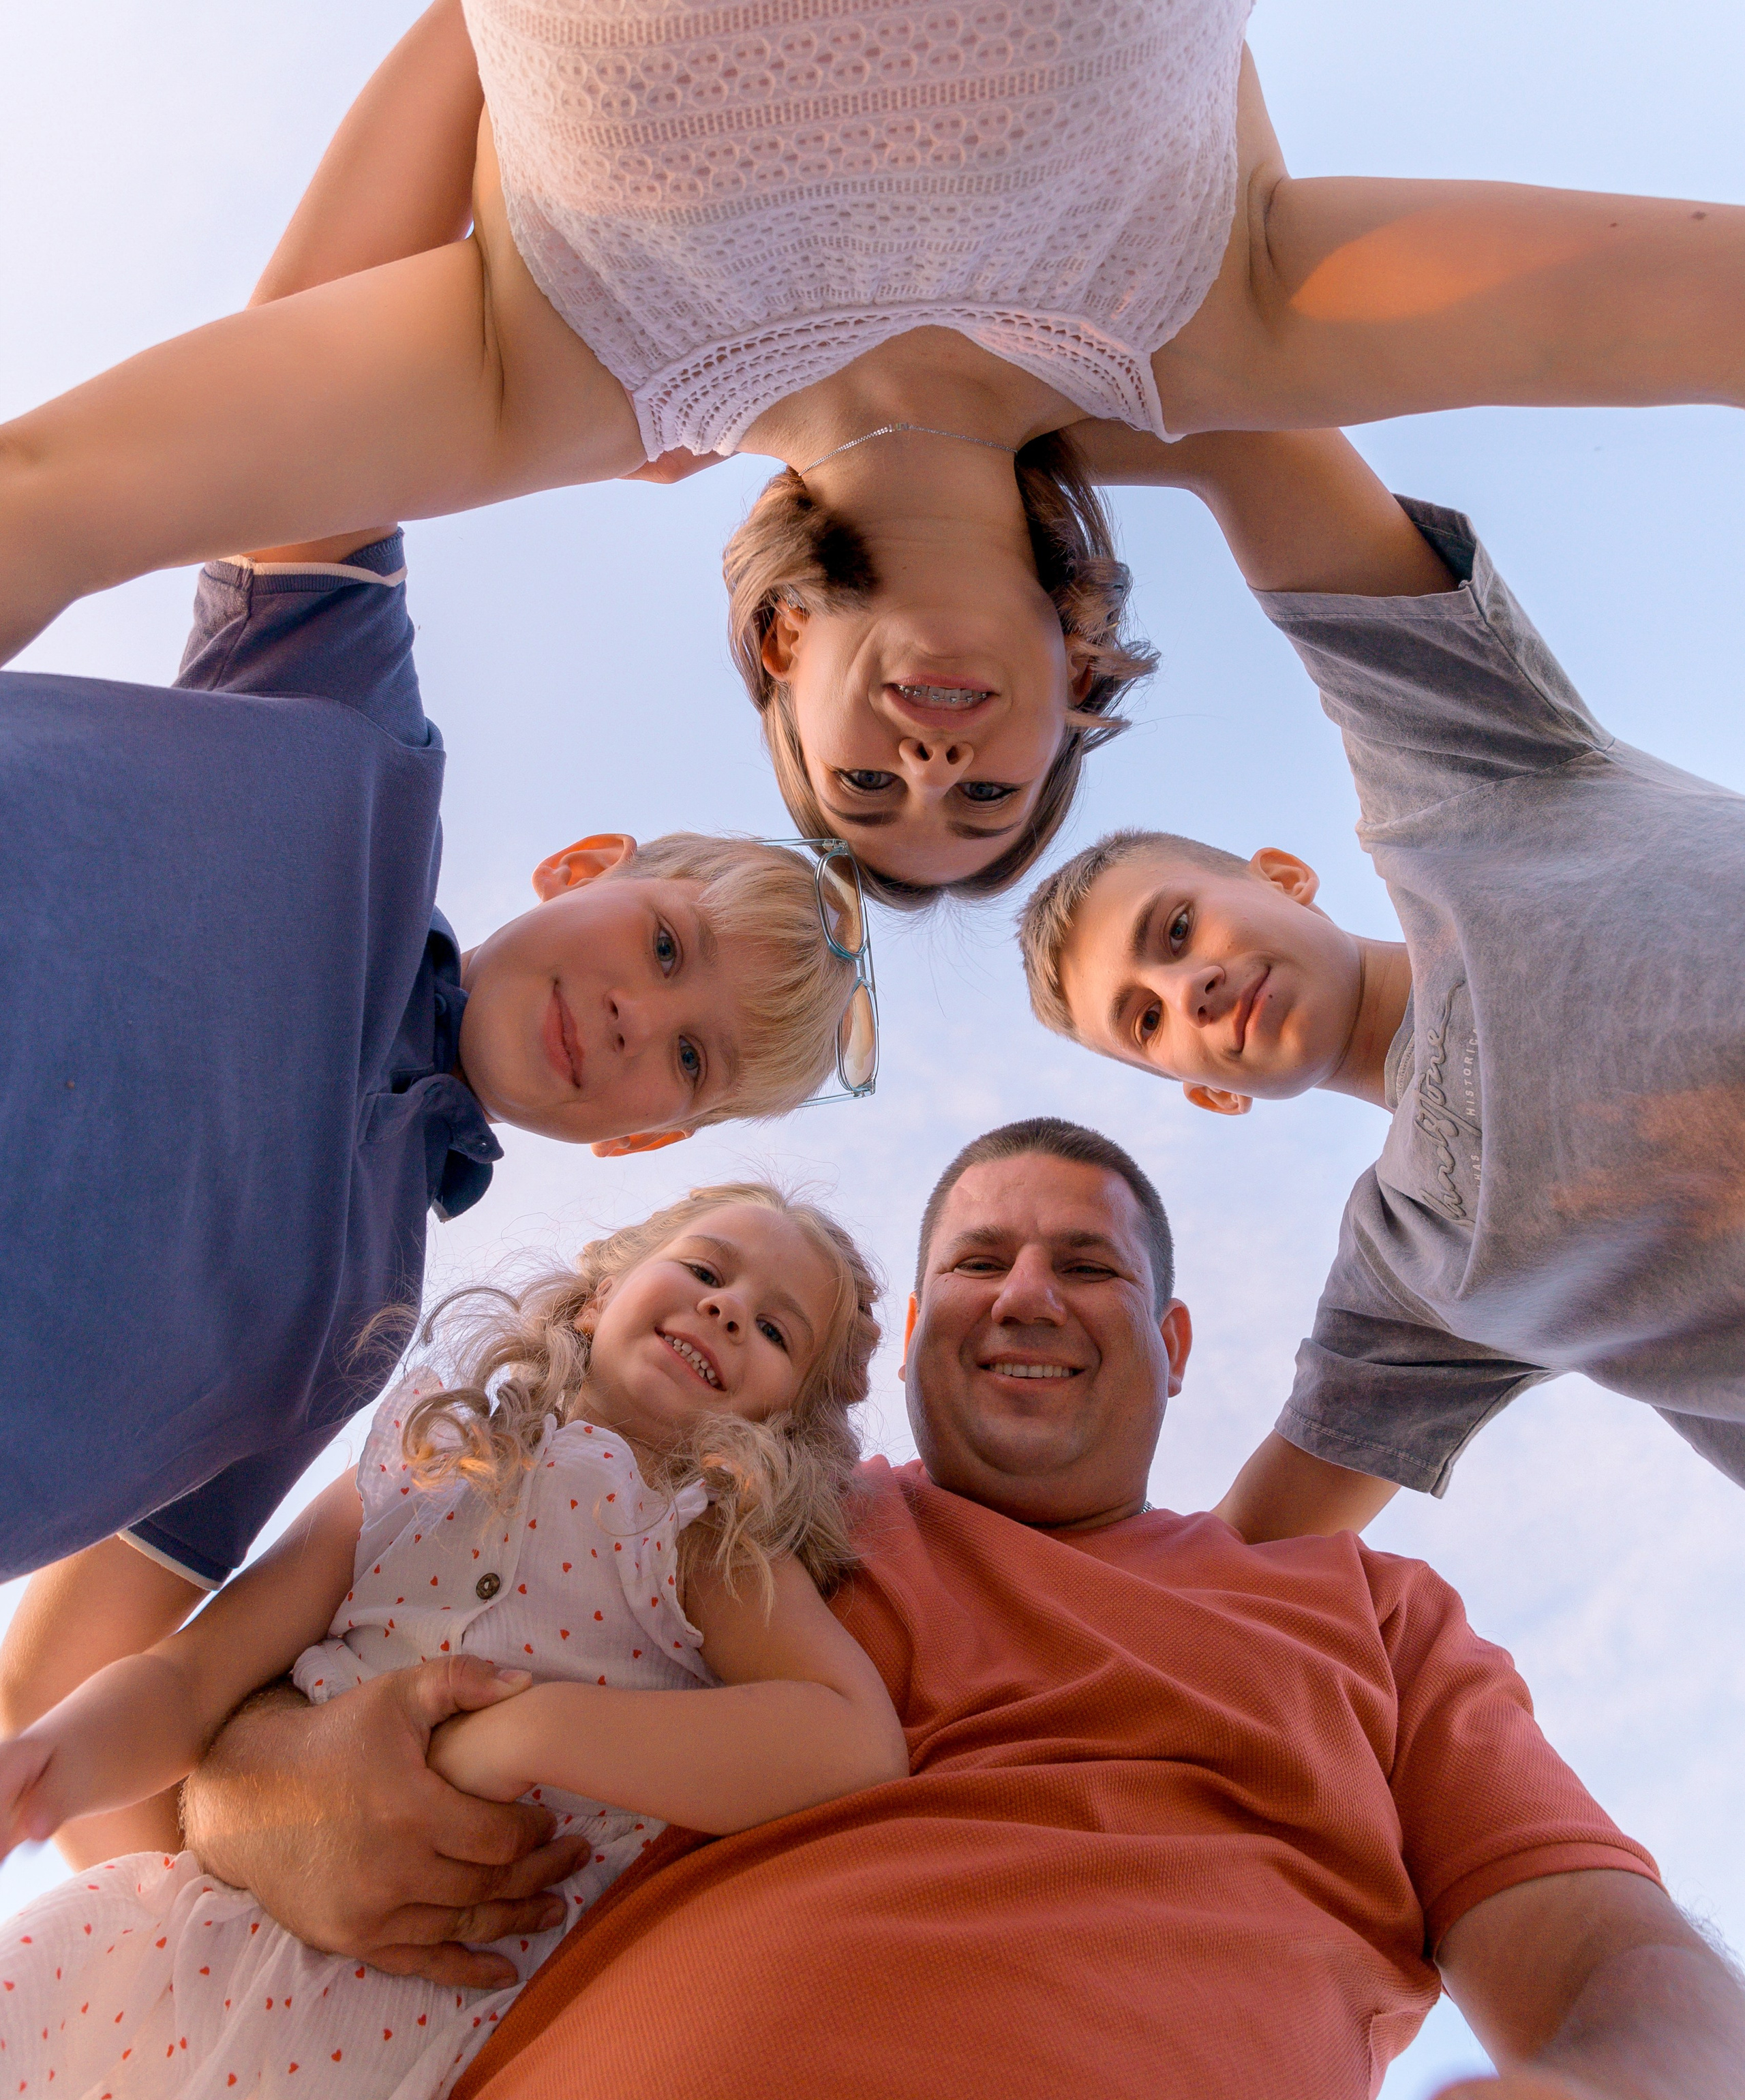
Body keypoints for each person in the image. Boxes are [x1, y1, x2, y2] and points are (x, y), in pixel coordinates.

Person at [3, 5, 1743, 904]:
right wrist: (1182, 431)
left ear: (779, 651)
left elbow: (57, 505)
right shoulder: (1220, 324)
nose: (932, 770)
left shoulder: (559, 377)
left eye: (863, 792)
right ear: (1076, 676)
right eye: (986, 797)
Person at [159, 1121, 1745, 2099]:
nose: (1026, 1293)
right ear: (909, 1332)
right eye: (979, 1259)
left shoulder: (1366, 1616)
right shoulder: (735, 1526)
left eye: (1087, 1265)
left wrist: (1627, 2081)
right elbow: (287, 1665)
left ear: (1174, 1339)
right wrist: (265, 1797)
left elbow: (1595, 1942)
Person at [0, 19, 870, 1617]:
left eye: (689, 1058)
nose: (640, 1015)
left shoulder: (365, 1324)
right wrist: (497, 32)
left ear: (642, 1137)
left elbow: (102, 1638)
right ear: (585, 867)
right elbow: (297, 357)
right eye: (664, 944)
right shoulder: (352, 745)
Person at [0, 1185, 906, 2100]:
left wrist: (536, 1731)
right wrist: (51, 1762)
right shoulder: (420, 1461)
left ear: (786, 1420)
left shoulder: (704, 1538)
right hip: (195, 1952)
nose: (729, 1309)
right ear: (600, 1295)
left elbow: (853, 1739)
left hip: (432, 2010)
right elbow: (190, 1680)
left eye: (776, 1330)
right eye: (706, 1270)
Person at [1018, 424, 1745, 1541]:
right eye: (1147, 1020)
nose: (1190, 989)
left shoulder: (1459, 787)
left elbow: (1250, 442)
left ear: (1284, 876)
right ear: (1212, 1093)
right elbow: (1238, 1572)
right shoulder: (1411, 1272)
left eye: (1177, 928)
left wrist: (968, 451)